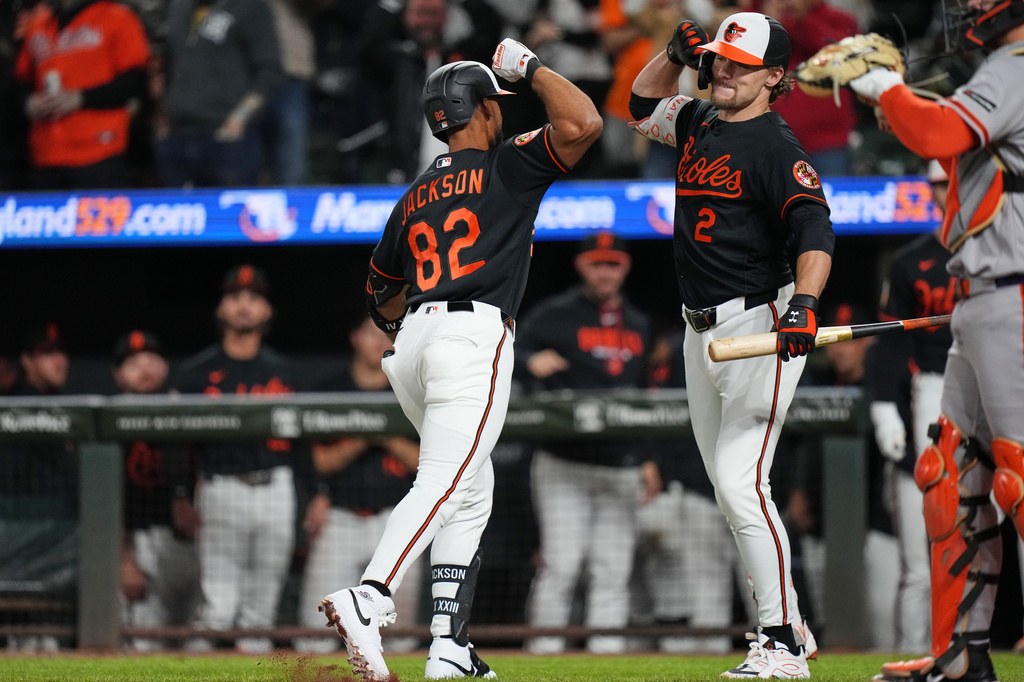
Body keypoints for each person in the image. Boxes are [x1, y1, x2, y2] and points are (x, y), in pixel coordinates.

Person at [318, 40, 603, 681]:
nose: (503, 112)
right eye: (495, 104)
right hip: (470, 336)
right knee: (445, 479)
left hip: (413, 344)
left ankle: (449, 645)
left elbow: (379, 293)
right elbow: (584, 122)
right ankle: (371, 596)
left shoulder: (417, 191)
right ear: (479, 109)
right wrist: (528, 69)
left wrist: (413, 321)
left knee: (471, 493)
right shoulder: (507, 165)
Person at [629, 11, 833, 677]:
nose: (723, 69)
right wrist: (668, 51)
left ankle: (777, 643)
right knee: (729, 485)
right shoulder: (698, 119)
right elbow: (637, 106)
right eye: (719, 58)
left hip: (760, 324)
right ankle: (791, 623)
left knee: (743, 482)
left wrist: (803, 305)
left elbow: (815, 233)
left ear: (776, 76)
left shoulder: (778, 148)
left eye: (741, 64)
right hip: (700, 329)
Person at [844, 1, 1024, 678]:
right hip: (983, 298)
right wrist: (897, 97)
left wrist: (882, 88)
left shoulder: (1016, 66)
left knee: (1019, 473)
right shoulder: (1004, 71)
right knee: (953, 477)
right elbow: (942, 126)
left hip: (1015, 292)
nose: (969, 6)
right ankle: (960, 657)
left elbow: (937, 133)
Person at [515, 232, 656, 655]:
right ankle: (541, 659)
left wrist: (648, 459)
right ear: (581, 266)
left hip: (620, 462)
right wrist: (527, 360)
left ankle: (606, 658)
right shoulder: (555, 314)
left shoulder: (640, 323)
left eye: (612, 263)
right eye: (597, 263)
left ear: (625, 267)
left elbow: (645, 395)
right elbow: (504, 344)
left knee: (613, 570)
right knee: (562, 565)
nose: (605, 272)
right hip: (564, 460)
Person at [167, 265, 309, 653]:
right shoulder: (195, 373)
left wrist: (316, 495)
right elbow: (175, 442)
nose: (244, 305)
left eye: (254, 298)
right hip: (221, 487)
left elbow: (302, 445)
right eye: (235, 297)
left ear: (267, 311)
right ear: (221, 309)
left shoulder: (284, 372)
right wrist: (180, 494)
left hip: (277, 486)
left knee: (261, 613)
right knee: (220, 606)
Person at [867, 160, 955, 653]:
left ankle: (970, 647)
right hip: (933, 392)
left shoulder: (1005, 251)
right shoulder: (911, 262)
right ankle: (913, 653)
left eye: (950, 183)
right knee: (919, 565)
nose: (944, 193)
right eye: (938, 185)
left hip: (995, 385)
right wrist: (883, 405)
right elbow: (889, 346)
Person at [295, 316, 422, 654]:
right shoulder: (329, 389)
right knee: (316, 627)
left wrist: (383, 432)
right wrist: (365, 434)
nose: (380, 340)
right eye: (372, 332)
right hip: (341, 517)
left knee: (399, 631)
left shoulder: (413, 390)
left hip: (397, 520)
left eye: (388, 334)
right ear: (355, 338)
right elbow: (318, 462)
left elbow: (428, 461)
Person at [113, 330, 201, 652]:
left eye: (151, 359)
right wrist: (123, 561)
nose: (145, 367)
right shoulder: (109, 427)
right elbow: (106, 507)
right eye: (133, 362)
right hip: (143, 544)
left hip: (197, 545)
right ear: (118, 375)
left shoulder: (192, 415)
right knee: (147, 646)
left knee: (200, 647)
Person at [12, 0, 149, 189]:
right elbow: (20, 81)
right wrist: (28, 103)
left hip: (98, 153)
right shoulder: (39, 24)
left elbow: (135, 82)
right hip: (45, 155)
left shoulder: (117, 17)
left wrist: (81, 98)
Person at [0, 323, 78, 652]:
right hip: (17, 537)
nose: (59, 361)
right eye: (47, 354)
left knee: (50, 640)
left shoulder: (69, 408)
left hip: (58, 541)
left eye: (60, 352)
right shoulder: (12, 406)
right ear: (27, 361)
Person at [155, 0, 282, 187]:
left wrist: (239, 118)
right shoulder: (177, 7)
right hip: (177, 135)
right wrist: (161, 115)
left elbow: (269, 71)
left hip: (227, 136)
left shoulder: (250, 6)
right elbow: (167, 65)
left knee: (230, 214)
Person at [756, 0, 860, 177]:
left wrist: (803, 18)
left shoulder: (839, 19)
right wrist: (767, 22)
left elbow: (843, 58)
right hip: (767, 140)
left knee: (829, 201)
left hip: (827, 144)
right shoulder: (755, 17)